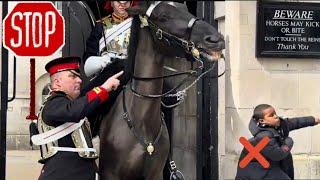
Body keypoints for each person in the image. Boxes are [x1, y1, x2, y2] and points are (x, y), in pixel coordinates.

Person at [34, 56, 123, 180]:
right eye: (73, 76)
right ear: (57, 83)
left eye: (79, 77)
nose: (79, 80)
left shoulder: (70, 104)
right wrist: (103, 89)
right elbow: (74, 111)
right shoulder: (53, 104)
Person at [235, 104, 320, 180]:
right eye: (271, 115)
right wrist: (288, 142)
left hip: (268, 167)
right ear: (262, 121)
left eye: (275, 113)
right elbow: (278, 154)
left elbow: (295, 122)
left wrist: (314, 120)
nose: (276, 116)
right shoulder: (263, 136)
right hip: (255, 170)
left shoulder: (278, 125)